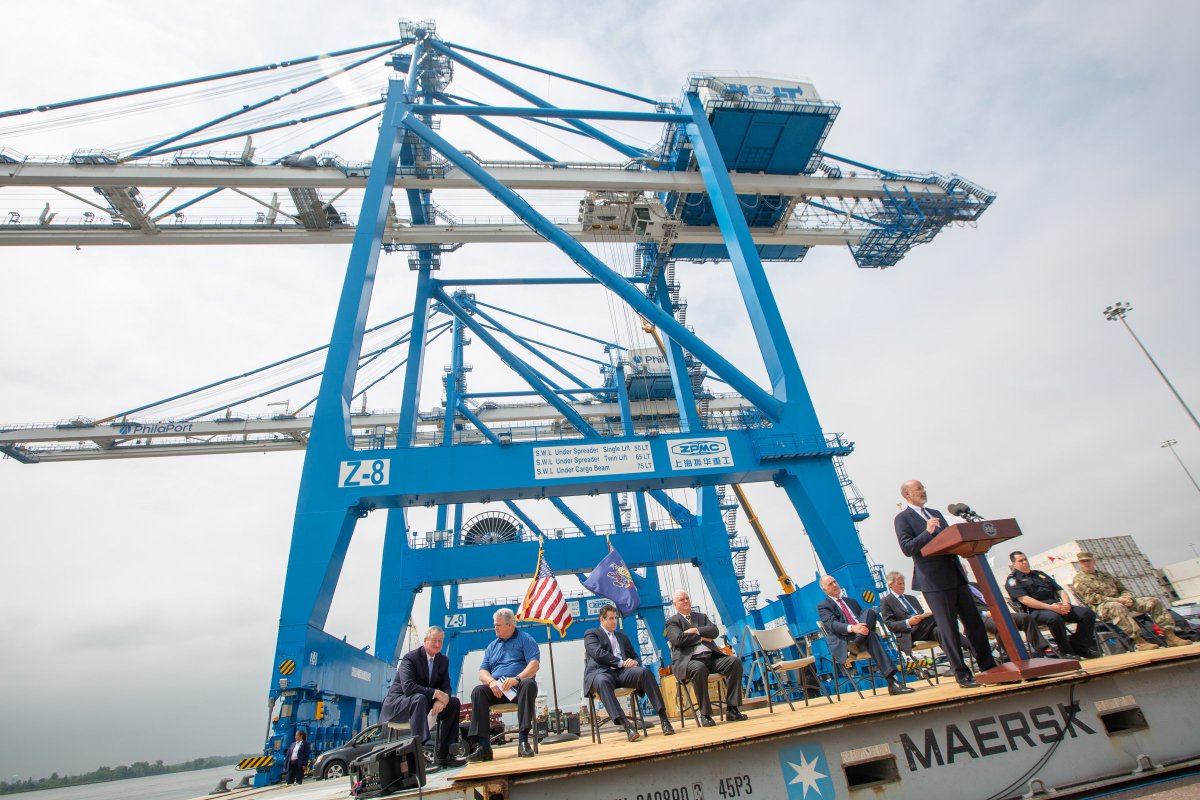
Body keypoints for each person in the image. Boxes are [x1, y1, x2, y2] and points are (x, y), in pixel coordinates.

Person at [894, 480, 996, 688]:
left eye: (923, 488)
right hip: (934, 581)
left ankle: (988, 667)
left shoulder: (935, 513)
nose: (923, 491)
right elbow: (907, 548)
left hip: (955, 574)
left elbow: (951, 539)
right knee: (948, 628)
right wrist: (928, 532)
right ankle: (962, 674)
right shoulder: (902, 518)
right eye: (918, 489)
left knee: (974, 622)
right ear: (907, 494)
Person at [584, 604, 675, 740]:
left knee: (644, 673)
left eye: (615, 618)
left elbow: (636, 656)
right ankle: (627, 726)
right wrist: (621, 662)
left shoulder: (622, 637)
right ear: (601, 620)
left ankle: (664, 719)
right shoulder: (592, 634)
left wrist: (635, 662)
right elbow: (598, 654)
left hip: (621, 673)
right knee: (603, 681)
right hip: (600, 673)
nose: (615, 621)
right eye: (611, 618)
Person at [380, 626, 466, 769]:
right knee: (419, 698)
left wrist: (441, 699)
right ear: (425, 640)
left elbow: (447, 687)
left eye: (440, 641)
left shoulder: (442, 660)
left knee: (453, 702)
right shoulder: (410, 658)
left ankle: (446, 754)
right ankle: (418, 755)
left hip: (423, 703)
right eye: (434, 641)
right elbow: (408, 688)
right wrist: (437, 694)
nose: (438, 645)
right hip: (399, 704)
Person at [817, 575, 914, 696]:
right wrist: (853, 628)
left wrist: (861, 629)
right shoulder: (824, 606)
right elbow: (833, 625)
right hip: (847, 641)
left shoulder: (851, 601)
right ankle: (892, 682)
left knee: (869, 611)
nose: (835, 585)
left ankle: (858, 642)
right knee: (871, 635)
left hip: (860, 640)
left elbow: (864, 620)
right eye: (830, 584)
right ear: (825, 590)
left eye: (835, 581)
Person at [1071, 552, 1190, 649]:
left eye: (1088, 560)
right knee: (1116, 607)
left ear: (1093, 561)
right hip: (1102, 607)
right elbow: (1092, 599)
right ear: (1079, 564)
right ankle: (1140, 641)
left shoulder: (1106, 575)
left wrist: (1128, 598)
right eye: (1083, 561)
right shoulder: (1079, 579)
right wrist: (1119, 600)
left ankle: (1170, 636)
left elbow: (1122, 588)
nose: (1086, 563)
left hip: (1122, 601)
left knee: (1153, 601)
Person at [467, 609, 540, 762]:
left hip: (518, 687)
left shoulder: (525, 639)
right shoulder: (492, 646)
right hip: (498, 690)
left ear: (510, 625)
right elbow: (482, 672)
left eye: (498, 625)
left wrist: (517, 679)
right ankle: (484, 747)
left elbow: (534, 665)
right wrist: (491, 682)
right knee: (478, 691)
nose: (495, 628)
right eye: (495, 625)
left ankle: (523, 742)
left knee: (528, 684)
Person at [664, 591, 747, 726]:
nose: (685, 601)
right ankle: (705, 714)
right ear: (675, 604)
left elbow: (714, 632)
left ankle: (732, 709)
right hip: (689, 662)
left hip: (712, 658)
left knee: (734, 662)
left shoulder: (701, 617)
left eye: (687, 598)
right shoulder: (672, 622)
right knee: (699, 668)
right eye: (681, 600)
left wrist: (695, 631)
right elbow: (678, 639)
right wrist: (702, 637)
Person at [1006, 551, 1098, 658]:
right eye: (1020, 561)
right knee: (1054, 618)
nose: (1025, 562)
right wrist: (1051, 608)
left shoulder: (1039, 574)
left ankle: (1079, 647)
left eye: (1025, 559)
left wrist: (1066, 604)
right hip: (1035, 611)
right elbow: (1025, 600)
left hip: (1057, 606)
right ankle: (1066, 652)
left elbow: (1060, 590)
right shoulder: (1013, 579)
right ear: (1014, 564)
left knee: (1087, 613)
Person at [967, 582, 1053, 657]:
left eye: (965, 571)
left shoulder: (975, 585)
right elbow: (965, 609)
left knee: (1024, 617)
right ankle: (1015, 656)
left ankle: (1042, 650)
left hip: (997, 613)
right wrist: (985, 613)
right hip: (980, 618)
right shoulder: (960, 591)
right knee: (1001, 625)